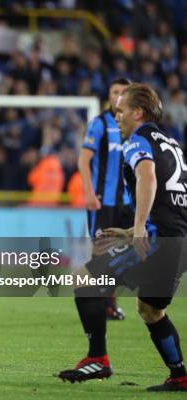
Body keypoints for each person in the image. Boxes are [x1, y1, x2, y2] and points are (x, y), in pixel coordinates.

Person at [59, 83, 187, 391]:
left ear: (138, 112)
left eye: (121, 110)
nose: (117, 117)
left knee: (85, 278)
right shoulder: (171, 142)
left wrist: (140, 226)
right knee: (151, 310)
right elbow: (172, 199)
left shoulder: (138, 139)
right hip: (179, 241)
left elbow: (147, 175)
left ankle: (98, 358)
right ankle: (180, 376)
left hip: (158, 241)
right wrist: (134, 229)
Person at [78, 77, 132, 320]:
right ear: (109, 96)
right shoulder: (99, 124)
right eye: (115, 91)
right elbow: (83, 160)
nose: (118, 96)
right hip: (101, 201)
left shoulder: (132, 127)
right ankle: (99, 303)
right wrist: (89, 193)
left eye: (123, 92)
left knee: (123, 254)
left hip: (125, 202)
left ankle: (108, 301)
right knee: (101, 252)